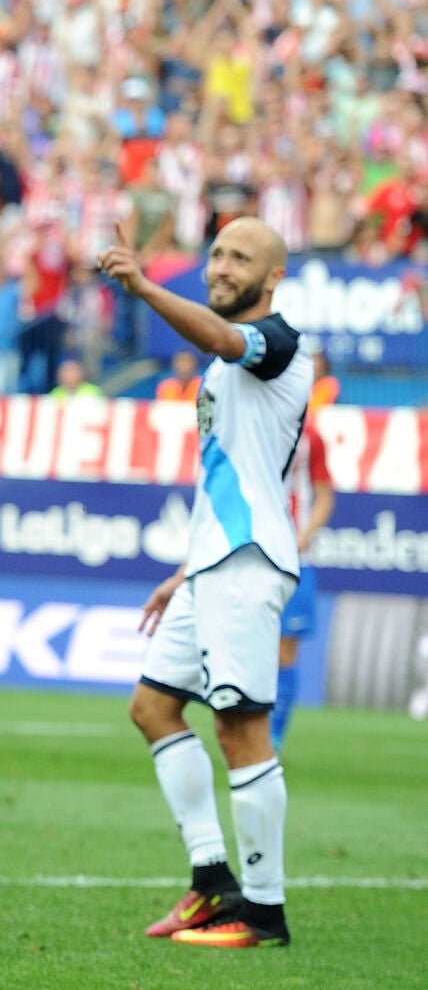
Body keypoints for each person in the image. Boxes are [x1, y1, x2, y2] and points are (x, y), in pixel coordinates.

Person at [100, 216, 310, 949]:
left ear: (273, 276)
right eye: (216, 253)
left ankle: (263, 911)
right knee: (154, 707)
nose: (221, 266)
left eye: (240, 258)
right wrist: (185, 572)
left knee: (240, 727)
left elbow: (222, 337)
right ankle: (212, 879)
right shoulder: (226, 369)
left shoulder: (277, 344)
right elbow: (234, 478)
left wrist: (143, 286)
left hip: (248, 564)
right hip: (212, 565)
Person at [272, 420, 333, 751]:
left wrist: (305, 535)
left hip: (296, 559)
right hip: (250, 553)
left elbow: (324, 496)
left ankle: (273, 738)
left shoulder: (310, 437)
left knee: (285, 650)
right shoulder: (248, 421)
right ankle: (244, 728)